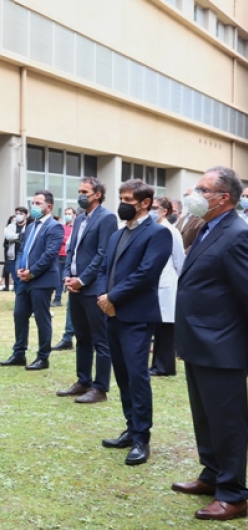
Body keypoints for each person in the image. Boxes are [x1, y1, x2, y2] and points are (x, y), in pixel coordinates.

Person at [172, 166, 248, 521]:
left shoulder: (236, 234)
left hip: (223, 347)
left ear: (224, 199)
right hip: (198, 341)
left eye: (202, 190)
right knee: (205, 418)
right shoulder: (207, 227)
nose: (194, 195)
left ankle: (233, 494)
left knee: (227, 422)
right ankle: (212, 475)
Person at [96, 179, 171, 466]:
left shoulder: (158, 234)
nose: (123, 203)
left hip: (136, 316)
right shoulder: (117, 234)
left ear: (145, 203)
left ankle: (142, 438)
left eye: (128, 199)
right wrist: (104, 296)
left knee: (138, 376)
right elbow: (105, 268)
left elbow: (146, 274)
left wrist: (113, 298)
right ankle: (130, 428)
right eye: (122, 198)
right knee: (123, 375)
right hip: (112, 313)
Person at [56, 177, 118, 404]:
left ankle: (100, 388)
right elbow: (71, 250)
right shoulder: (80, 218)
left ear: (98, 194)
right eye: (79, 191)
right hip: (75, 287)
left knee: (100, 340)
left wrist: (82, 280)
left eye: (85, 191)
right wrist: (67, 276)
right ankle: (83, 380)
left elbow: (103, 254)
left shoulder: (107, 218)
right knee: (82, 337)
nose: (81, 195)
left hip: (94, 288)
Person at [0, 190, 63, 371]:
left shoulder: (55, 226)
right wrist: (20, 268)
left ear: (48, 206)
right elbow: (21, 251)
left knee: (42, 320)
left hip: (42, 280)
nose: (33, 206)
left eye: (38, 203)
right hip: (24, 280)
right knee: (19, 315)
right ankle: (19, 353)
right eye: (33, 202)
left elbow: (50, 254)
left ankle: (43, 358)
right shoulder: (31, 225)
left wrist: (32, 272)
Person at [149, 197, 184, 377]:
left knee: (166, 328)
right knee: (157, 327)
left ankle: (165, 367)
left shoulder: (172, 231)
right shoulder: (151, 229)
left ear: (164, 211)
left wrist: (176, 283)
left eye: (155, 207)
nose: (151, 210)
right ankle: (156, 365)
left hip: (167, 284)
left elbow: (179, 261)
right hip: (154, 284)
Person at [52, 208, 75, 307]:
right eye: (66, 214)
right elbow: (57, 238)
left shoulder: (75, 228)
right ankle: (57, 299)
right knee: (57, 278)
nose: (67, 215)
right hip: (58, 255)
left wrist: (63, 238)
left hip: (68, 256)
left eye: (69, 214)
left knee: (65, 278)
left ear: (74, 215)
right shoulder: (61, 227)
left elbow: (71, 240)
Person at [4, 207, 28, 293]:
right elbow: (8, 236)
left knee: (22, 280)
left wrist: (16, 236)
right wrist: (19, 236)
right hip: (12, 257)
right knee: (16, 279)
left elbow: (26, 238)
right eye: (17, 213)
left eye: (21, 214)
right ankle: (19, 299)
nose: (18, 216)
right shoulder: (11, 226)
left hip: (24, 257)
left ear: (25, 216)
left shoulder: (29, 226)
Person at [175, 188, 204, 253]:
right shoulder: (182, 219)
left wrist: (182, 255)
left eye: (189, 195)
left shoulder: (202, 219)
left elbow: (198, 243)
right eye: (185, 195)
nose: (187, 198)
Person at [1, 215, 15, 291]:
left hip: (15, 253)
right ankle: (6, 286)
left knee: (15, 269)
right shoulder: (7, 231)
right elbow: (4, 243)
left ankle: (14, 285)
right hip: (8, 252)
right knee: (7, 269)